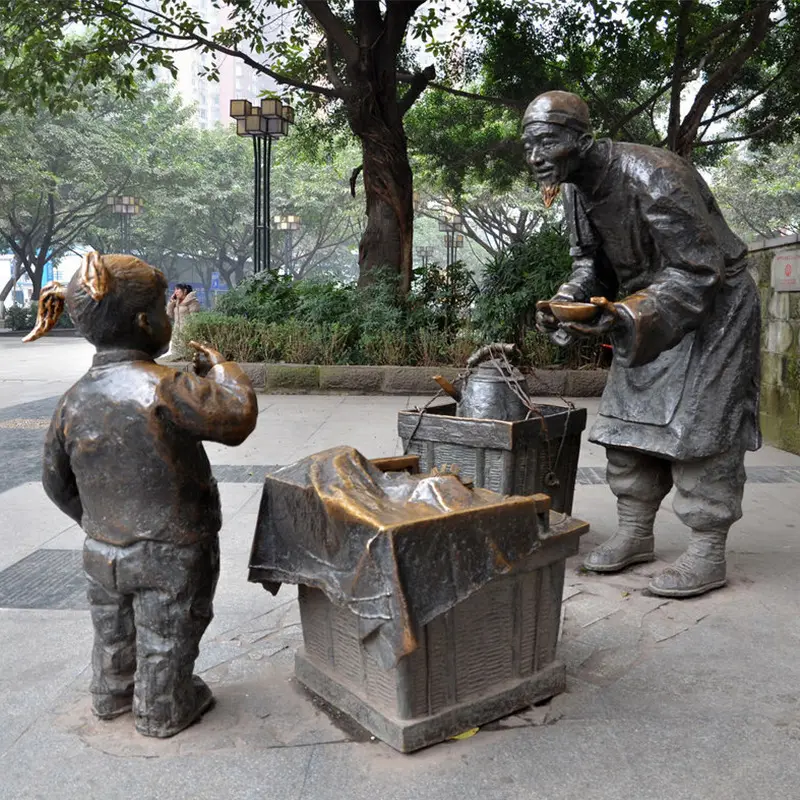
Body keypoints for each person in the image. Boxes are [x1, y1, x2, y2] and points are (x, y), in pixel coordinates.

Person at [524, 91, 761, 598]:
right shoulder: (575, 187)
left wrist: (628, 314)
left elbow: (701, 267)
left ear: (581, 140)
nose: (535, 157)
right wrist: (568, 300)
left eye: (545, 143)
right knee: (624, 423)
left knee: (702, 428)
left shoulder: (653, 174)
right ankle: (635, 532)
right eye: (529, 145)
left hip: (713, 305)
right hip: (646, 308)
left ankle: (707, 549)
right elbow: (589, 264)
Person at [23, 252, 258, 737]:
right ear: (144, 320)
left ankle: (111, 695)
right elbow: (236, 419)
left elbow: (54, 481)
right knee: (169, 630)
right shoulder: (167, 386)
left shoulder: (74, 397)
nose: (170, 318)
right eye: (164, 309)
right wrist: (222, 368)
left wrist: (101, 522)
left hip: (102, 547)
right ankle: (163, 707)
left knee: (112, 629)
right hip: (172, 544)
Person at [166, 283, 200, 358]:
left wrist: (190, 332)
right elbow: (170, 316)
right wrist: (171, 303)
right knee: (175, 356)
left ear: (184, 291)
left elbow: (195, 319)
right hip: (176, 333)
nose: (175, 292)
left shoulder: (193, 302)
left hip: (186, 333)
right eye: (175, 289)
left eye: (178, 289)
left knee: (185, 356)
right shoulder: (177, 302)